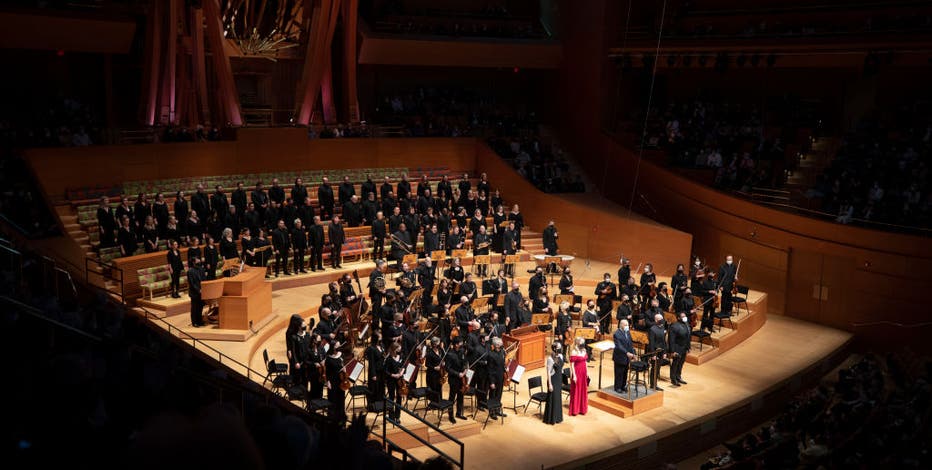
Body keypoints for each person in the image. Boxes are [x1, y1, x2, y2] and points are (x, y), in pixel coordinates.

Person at [445, 337, 468, 423]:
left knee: (461, 396)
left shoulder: (462, 351)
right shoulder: (449, 354)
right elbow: (447, 368)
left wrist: (465, 369)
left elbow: (465, 361)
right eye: (460, 343)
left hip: (462, 378)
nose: (462, 344)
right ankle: (451, 415)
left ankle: (459, 413)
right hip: (454, 379)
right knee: (452, 397)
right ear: (456, 344)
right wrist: (458, 374)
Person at [325, 342, 347, 422]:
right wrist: (328, 382)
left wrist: (344, 369)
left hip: (341, 381)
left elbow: (344, 365)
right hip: (332, 381)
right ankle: (332, 418)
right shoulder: (329, 358)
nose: (339, 347)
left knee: (341, 399)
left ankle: (341, 417)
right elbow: (327, 372)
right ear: (333, 347)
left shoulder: (341, 356)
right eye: (337, 345)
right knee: (333, 399)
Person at [543, 342, 564, 425]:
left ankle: (558, 417)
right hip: (553, 379)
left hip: (559, 379)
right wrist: (550, 384)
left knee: (558, 398)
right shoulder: (550, 359)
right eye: (559, 347)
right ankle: (551, 418)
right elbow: (548, 372)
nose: (560, 348)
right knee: (553, 398)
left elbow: (561, 368)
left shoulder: (561, 356)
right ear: (555, 349)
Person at [668, 311, 691, 387]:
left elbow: (688, 337)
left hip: (684, 348)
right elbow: (671, 340)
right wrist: (672, 351)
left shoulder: (686, 324)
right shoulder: (674, 326)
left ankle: (678, 376)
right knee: (675, 364)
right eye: (683, 316)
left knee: (681, 363)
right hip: (677, 348)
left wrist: (688, 347)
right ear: (678, 318)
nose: (685, 318)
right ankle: (673, 379)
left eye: (685, 316)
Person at [612, 319, 636, 393]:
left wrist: (633, 353)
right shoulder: (617, 334)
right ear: (621, 325)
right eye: (626, 325)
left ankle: (623, 386)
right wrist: (627, 353)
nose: (627, 326)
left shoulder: (627, 332)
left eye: (627, 325)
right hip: (619, 356)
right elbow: (619, 346)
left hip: (627, 357)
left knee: (625, 372)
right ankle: (617, 387)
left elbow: (630, 344)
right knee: (619, 373)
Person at [486, 336, 507, 418]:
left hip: (501, 377)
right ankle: (492, 412)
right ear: (496, 345)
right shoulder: (491, 355)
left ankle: (497, 410)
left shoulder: (502, 352)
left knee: (499, 394)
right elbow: (490, 370)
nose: (502, 345)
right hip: (494, 379)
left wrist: (505, 368)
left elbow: (502, 364)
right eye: (500, 344)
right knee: (492, 395)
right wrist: (492, 382)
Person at [568, 337, 589, 416]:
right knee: (577, 390)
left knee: (583, 389)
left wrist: (587, 372)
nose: (583, 344)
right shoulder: (574, 352)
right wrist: (574, 376)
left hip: (583, 372)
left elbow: (585, 362)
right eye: (582, 342)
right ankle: (575, 409)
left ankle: (582, 409)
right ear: (577, 343)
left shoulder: (584, 350)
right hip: (577, 372)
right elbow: (572, 365)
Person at [647, 313, 668, 391]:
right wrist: (653, 354)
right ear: (656, 320)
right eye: (659, 319)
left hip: (661, 351)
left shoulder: (662, 328)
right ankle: (653, 384)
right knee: (654, 369)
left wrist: (665, 352)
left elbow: (664, 341)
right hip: (655, 352)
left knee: (658, 368)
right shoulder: (652, 329)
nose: (661, 320)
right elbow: (651, 343)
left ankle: (655, 384)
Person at [364, 331, 385, 407]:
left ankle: (380, 404)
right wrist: (373, 374)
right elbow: (371, 362)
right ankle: (373, 406)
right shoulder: (371, 349)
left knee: (381, 388)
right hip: (375, 372)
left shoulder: (382, 345)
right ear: (375, 338)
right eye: (380, 337)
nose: (381, 338)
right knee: (374, 389)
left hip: (381, 371)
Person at [384, 343, 404, 420]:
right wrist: (393, 375)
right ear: (394, 349)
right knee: (391, 397)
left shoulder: (401, 356)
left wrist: (402, 372)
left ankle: (397, 416)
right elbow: (386, 371)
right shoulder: (389, 359)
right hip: (391, 380)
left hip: (400, 380)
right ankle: (391, 415)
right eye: (398, 349)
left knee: (399, 397)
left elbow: (403, 366)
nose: (400, 350)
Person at [187, 258, 205, 327]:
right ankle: (194, 322)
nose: (199, 261)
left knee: (200, 307)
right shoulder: (190, 271)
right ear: (194, 262)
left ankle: (200, 321)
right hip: (194, 292)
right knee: (194, 308)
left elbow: (204, 279)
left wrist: (204, 288)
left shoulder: (201, 269)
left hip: (202, 291)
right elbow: (192, 283)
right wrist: (198, 290)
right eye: (197, 260)